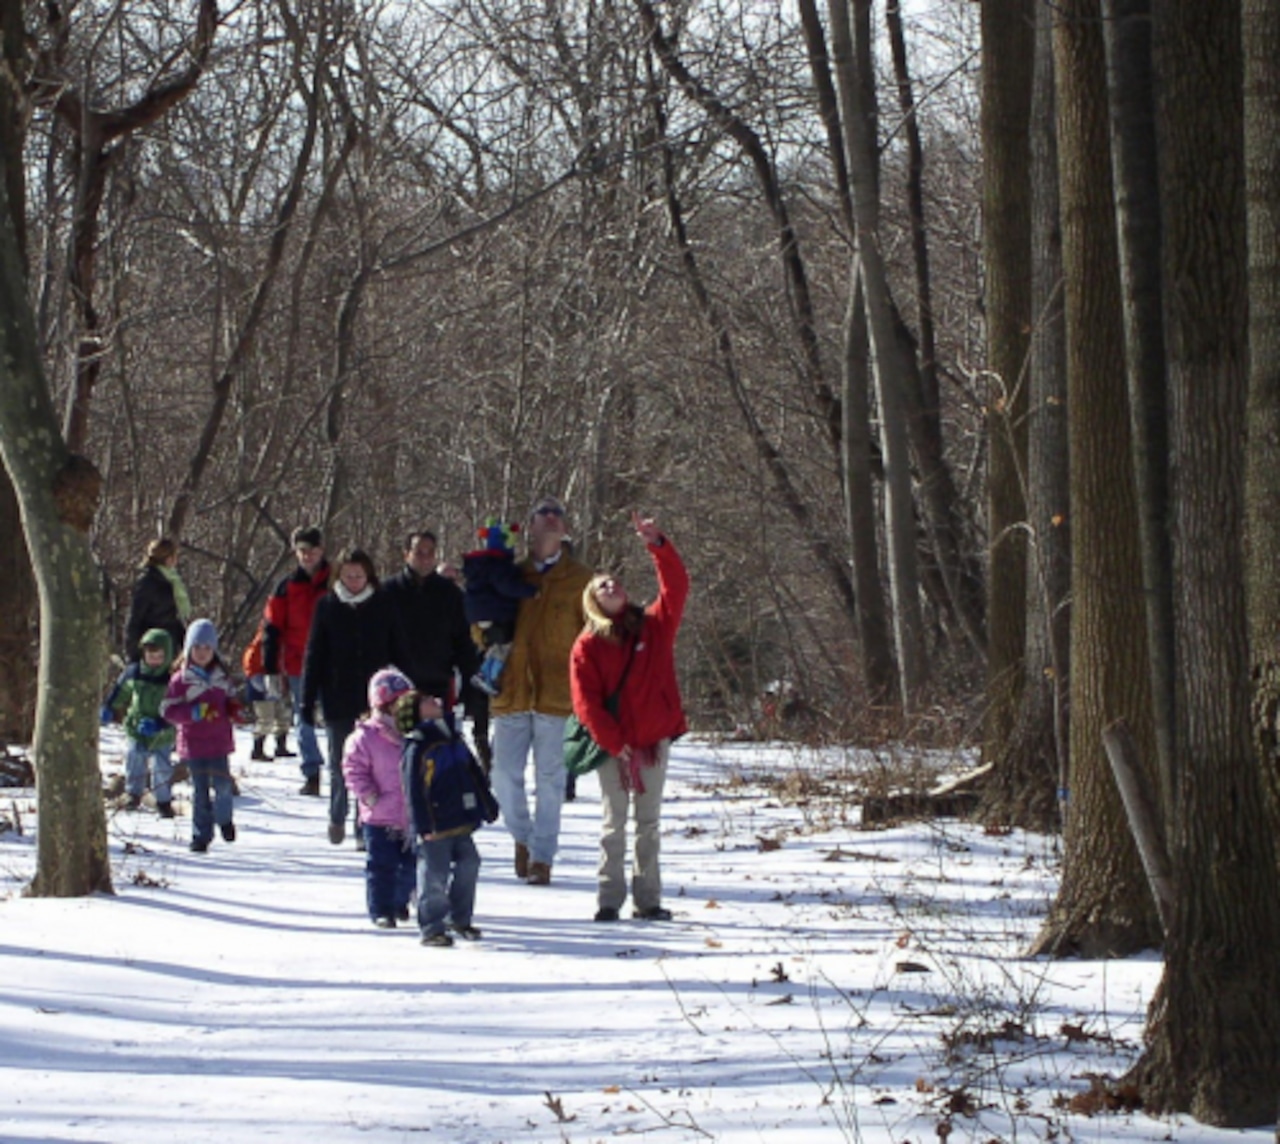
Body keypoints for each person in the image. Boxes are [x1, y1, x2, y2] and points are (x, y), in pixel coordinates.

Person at [570, 512, 689, 923]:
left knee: (649, 823)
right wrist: (613, 743)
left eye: (614, 581)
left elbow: (677, 586)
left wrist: (658, 544)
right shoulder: (587, 645)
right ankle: (608, 899)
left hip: (653, 740)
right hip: (612, 747)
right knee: (613, 824)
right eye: (601, 585)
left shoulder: (654, 626)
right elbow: (585, 702)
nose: (611, 585)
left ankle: (648, 899)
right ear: (593, 601)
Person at [489, 495, 592, 887]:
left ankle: (542, 857)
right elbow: (480, 624)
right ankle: (522, 837)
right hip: (511, 690)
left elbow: (596, 634)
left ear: (565, 530)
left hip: (557, 695)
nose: (550, 520)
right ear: (529, 526)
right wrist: (484, 629)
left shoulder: (582, 580)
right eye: (542, 515)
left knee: (550, 780)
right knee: (503, 775)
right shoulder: (508, 575)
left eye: (557, 515)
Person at [301, 547, 397, 845]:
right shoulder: (327, 606)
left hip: (374, 698)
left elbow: (397, 646)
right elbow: (314, 653)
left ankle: (363, 825)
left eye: (359, 575)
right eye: (348, 575)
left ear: (368, 575)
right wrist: (307, 697)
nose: (354, 581)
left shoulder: (382, 604)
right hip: (337, 695)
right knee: (341, 760)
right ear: (338, 576)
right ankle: (336, 814)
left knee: (371, 764)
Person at [397, 689, 498, 947]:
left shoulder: (454, 738)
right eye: (427, 702)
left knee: (470, 864)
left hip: (461, 819)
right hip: (435, 824)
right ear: (416, 713)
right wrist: (421, 824)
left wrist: (487, 804)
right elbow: (413, 790)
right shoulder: (418, 746)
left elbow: (474, 773)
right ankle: (432, 927)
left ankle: (460, 918)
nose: (436, 701)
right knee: (434, 876)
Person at [342, 667, 418, 928]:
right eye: (397, 703)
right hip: (379, 816)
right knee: (381, 867)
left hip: (409, 817)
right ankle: (381, 909)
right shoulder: (366, 737)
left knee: (409, 867)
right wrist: (368, 795)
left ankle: (400, 903)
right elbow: (353, 770)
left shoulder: (414, 735)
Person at [162, 618, 242, 853]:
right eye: (197, 647)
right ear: (188, 649)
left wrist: (234, 709)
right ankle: (200, 835)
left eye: (207, 648)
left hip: (219, 742)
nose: (202, 653)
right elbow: (167, 710)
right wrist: (192, 713)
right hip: (194, 744)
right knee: (200, 792)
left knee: (223, 787)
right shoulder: (181, 680)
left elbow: (232, 700)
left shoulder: (221, 677)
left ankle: (225, 820)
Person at [262, 526, 330, 796]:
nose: (308, 556)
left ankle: (346, 769)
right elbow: (272, 627)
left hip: (333, 662)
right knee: (304, 720)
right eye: (302, 551)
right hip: (297, 663)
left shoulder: (336, 579)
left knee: (340, 720)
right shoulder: (286, 586)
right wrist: (270, 668)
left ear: (321, 550)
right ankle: (312, 772)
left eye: (312, 550)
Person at [381, 529, 480, 703]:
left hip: (439, 686)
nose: (425, 558)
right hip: (397, 688)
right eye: (419, 552)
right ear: (407, 555)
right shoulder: (388, 592)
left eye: (430, 552)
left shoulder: (450, 593)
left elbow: (464, 642)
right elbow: (377, 641)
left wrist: (470, 685)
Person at [101, 628, 178, 817]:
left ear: (166, 655)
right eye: (150, 656)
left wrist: (161, 723)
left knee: (161, 765)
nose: (153, 661)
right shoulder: (134, 673)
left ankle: (163, 800)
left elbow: (177, 707)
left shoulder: (172, 679)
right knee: (135, 756)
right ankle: (133, 793)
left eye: (158, 656)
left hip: (163, 731)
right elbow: (121, 692)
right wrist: (109, 707)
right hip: (136, 726)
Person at [462, 517, 538, 697]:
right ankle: (488, 675)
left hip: (481, 614)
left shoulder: (482, 565)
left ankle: (486, 673)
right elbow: (506, 586)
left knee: (498, 645)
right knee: (503, 646)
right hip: (494, 613)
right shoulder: (498, 565)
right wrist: (530, 591)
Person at [123, 538, 190, 663]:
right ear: (168, 558)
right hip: (152, 647)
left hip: (169, 645)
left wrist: (186, 642)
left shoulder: (171, 580)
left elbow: (172, 618)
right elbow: (135, 618)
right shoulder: (148, 583)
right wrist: (133, 655)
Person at [241, 620, 293, 761]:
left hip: (276, 681)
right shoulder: (261, 643)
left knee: (283, 715)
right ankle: (257, 749)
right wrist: (258, 681)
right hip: (261, 683)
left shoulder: (283, 643)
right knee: (266, 718)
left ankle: (280, 746)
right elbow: (250, 664)